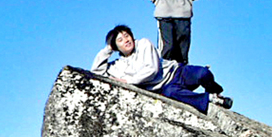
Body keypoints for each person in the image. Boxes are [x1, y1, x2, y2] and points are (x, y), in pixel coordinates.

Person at [91, 24, 232, 114]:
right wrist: (108, 49)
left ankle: (215, 92)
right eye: (120, 40)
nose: (126, 40)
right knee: (172, 94)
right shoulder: (117, 66)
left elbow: (151, 69)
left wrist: (129, 81)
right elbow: (96, 72)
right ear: (116, 47)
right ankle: (211, 100)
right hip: (165, 87)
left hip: (177, 72)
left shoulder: (144, 44)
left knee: (203, 73)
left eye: (127, 36)